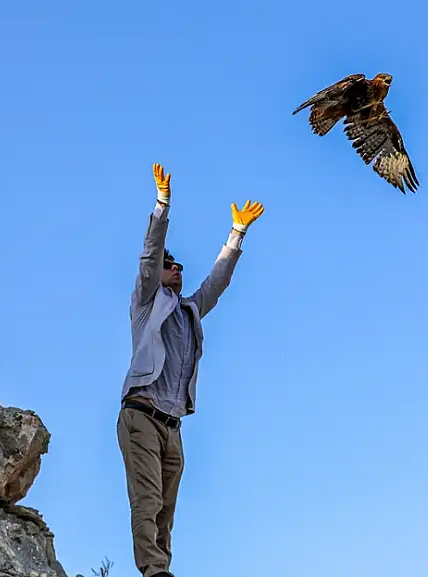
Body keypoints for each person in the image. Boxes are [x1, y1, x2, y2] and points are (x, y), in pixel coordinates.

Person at [117, 163, 264, 577]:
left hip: (173, 425)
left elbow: (217, 282)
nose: (176, 267)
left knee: (165, 509)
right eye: (170, 264)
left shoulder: (189, 311)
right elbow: (150, 253)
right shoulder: (148, 302)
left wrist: (237, 235)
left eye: (179, 264)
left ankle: (161, 569)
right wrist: (163, 203)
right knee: (146, 500)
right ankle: (153, 570)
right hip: (141, 415)